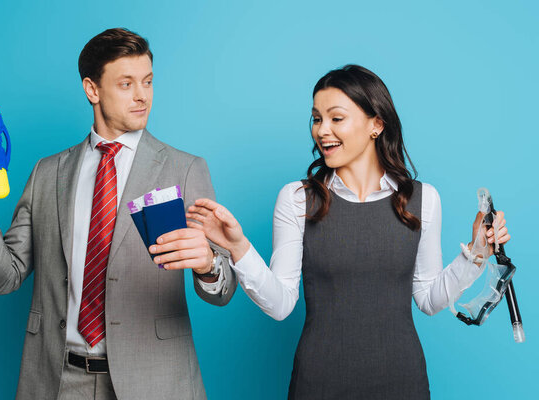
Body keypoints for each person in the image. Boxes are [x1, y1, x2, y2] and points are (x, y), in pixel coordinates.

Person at [185, 65, 511, 399]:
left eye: (336, 118)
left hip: (402, 382)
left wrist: (477, 253)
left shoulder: (424, 199)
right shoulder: (297, 199)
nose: (322, 130)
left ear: (376, 124)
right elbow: (280, 304)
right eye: (316, 118)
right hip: (318, 383)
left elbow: (429, 299)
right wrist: (239, 247)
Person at [0, 28, 237, 400]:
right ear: (92, 90)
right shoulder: (47, 173)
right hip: (58, 381)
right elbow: (5, 278)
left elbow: (223, 290)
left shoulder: (184, 169)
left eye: (148, 82)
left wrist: (208, 264)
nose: (142, 95)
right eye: (126, 83)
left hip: (155, 382)